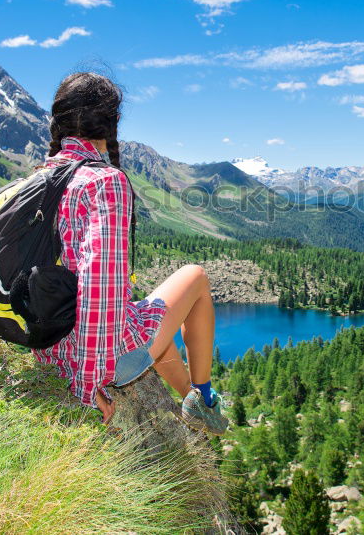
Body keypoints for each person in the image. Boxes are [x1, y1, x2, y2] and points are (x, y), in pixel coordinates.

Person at [32, 72, 229, 435]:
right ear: (113, 122)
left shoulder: (38, 180)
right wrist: (88, 388)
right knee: (196, 276)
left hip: (51, 349)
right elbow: (97, 289)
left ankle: (190, 400)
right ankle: (203, 395)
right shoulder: (104, 181)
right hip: (99, 361)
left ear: (57, 121)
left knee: (154, 315)